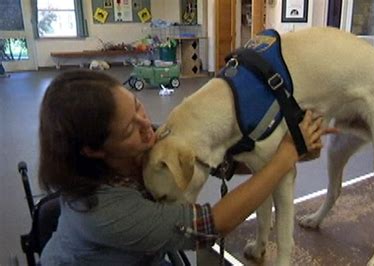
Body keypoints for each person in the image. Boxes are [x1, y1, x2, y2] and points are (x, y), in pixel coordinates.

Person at [39, 70, 337, 265]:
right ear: (92, 149)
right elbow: (213, 224)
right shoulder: (102, 212)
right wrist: (284, 157)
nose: (148, 127)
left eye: (138, 105)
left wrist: (284, 152)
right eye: (130, 128)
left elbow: (213, 162)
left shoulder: (138, 147)